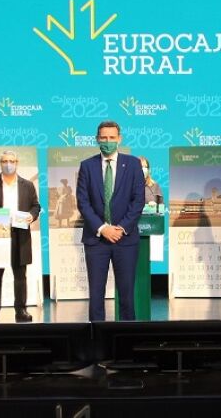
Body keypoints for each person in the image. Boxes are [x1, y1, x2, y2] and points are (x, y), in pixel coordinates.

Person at [76, 120, 145, 321]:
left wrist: (121, 228)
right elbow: (83, 202)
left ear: (119, 139)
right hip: (96, 240)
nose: (108, 141)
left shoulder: (133, 164)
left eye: (112, 137)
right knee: (96, 296)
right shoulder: (87, 166)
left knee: (127, 296)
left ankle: (126, 338)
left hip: (125, 240)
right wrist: (102, 228)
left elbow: (138, 200)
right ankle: (97, 338)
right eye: (104, 138)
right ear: (97, 139)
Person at [0, 150, 41, 323]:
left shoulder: (27, 185)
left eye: (11, 161)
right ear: (0, 163)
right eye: (5, 161)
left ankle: (21, 310)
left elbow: (36, 206)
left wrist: (32, 215)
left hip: (20, 234)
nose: (8, 164)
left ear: (17, 163)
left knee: (20, 276)